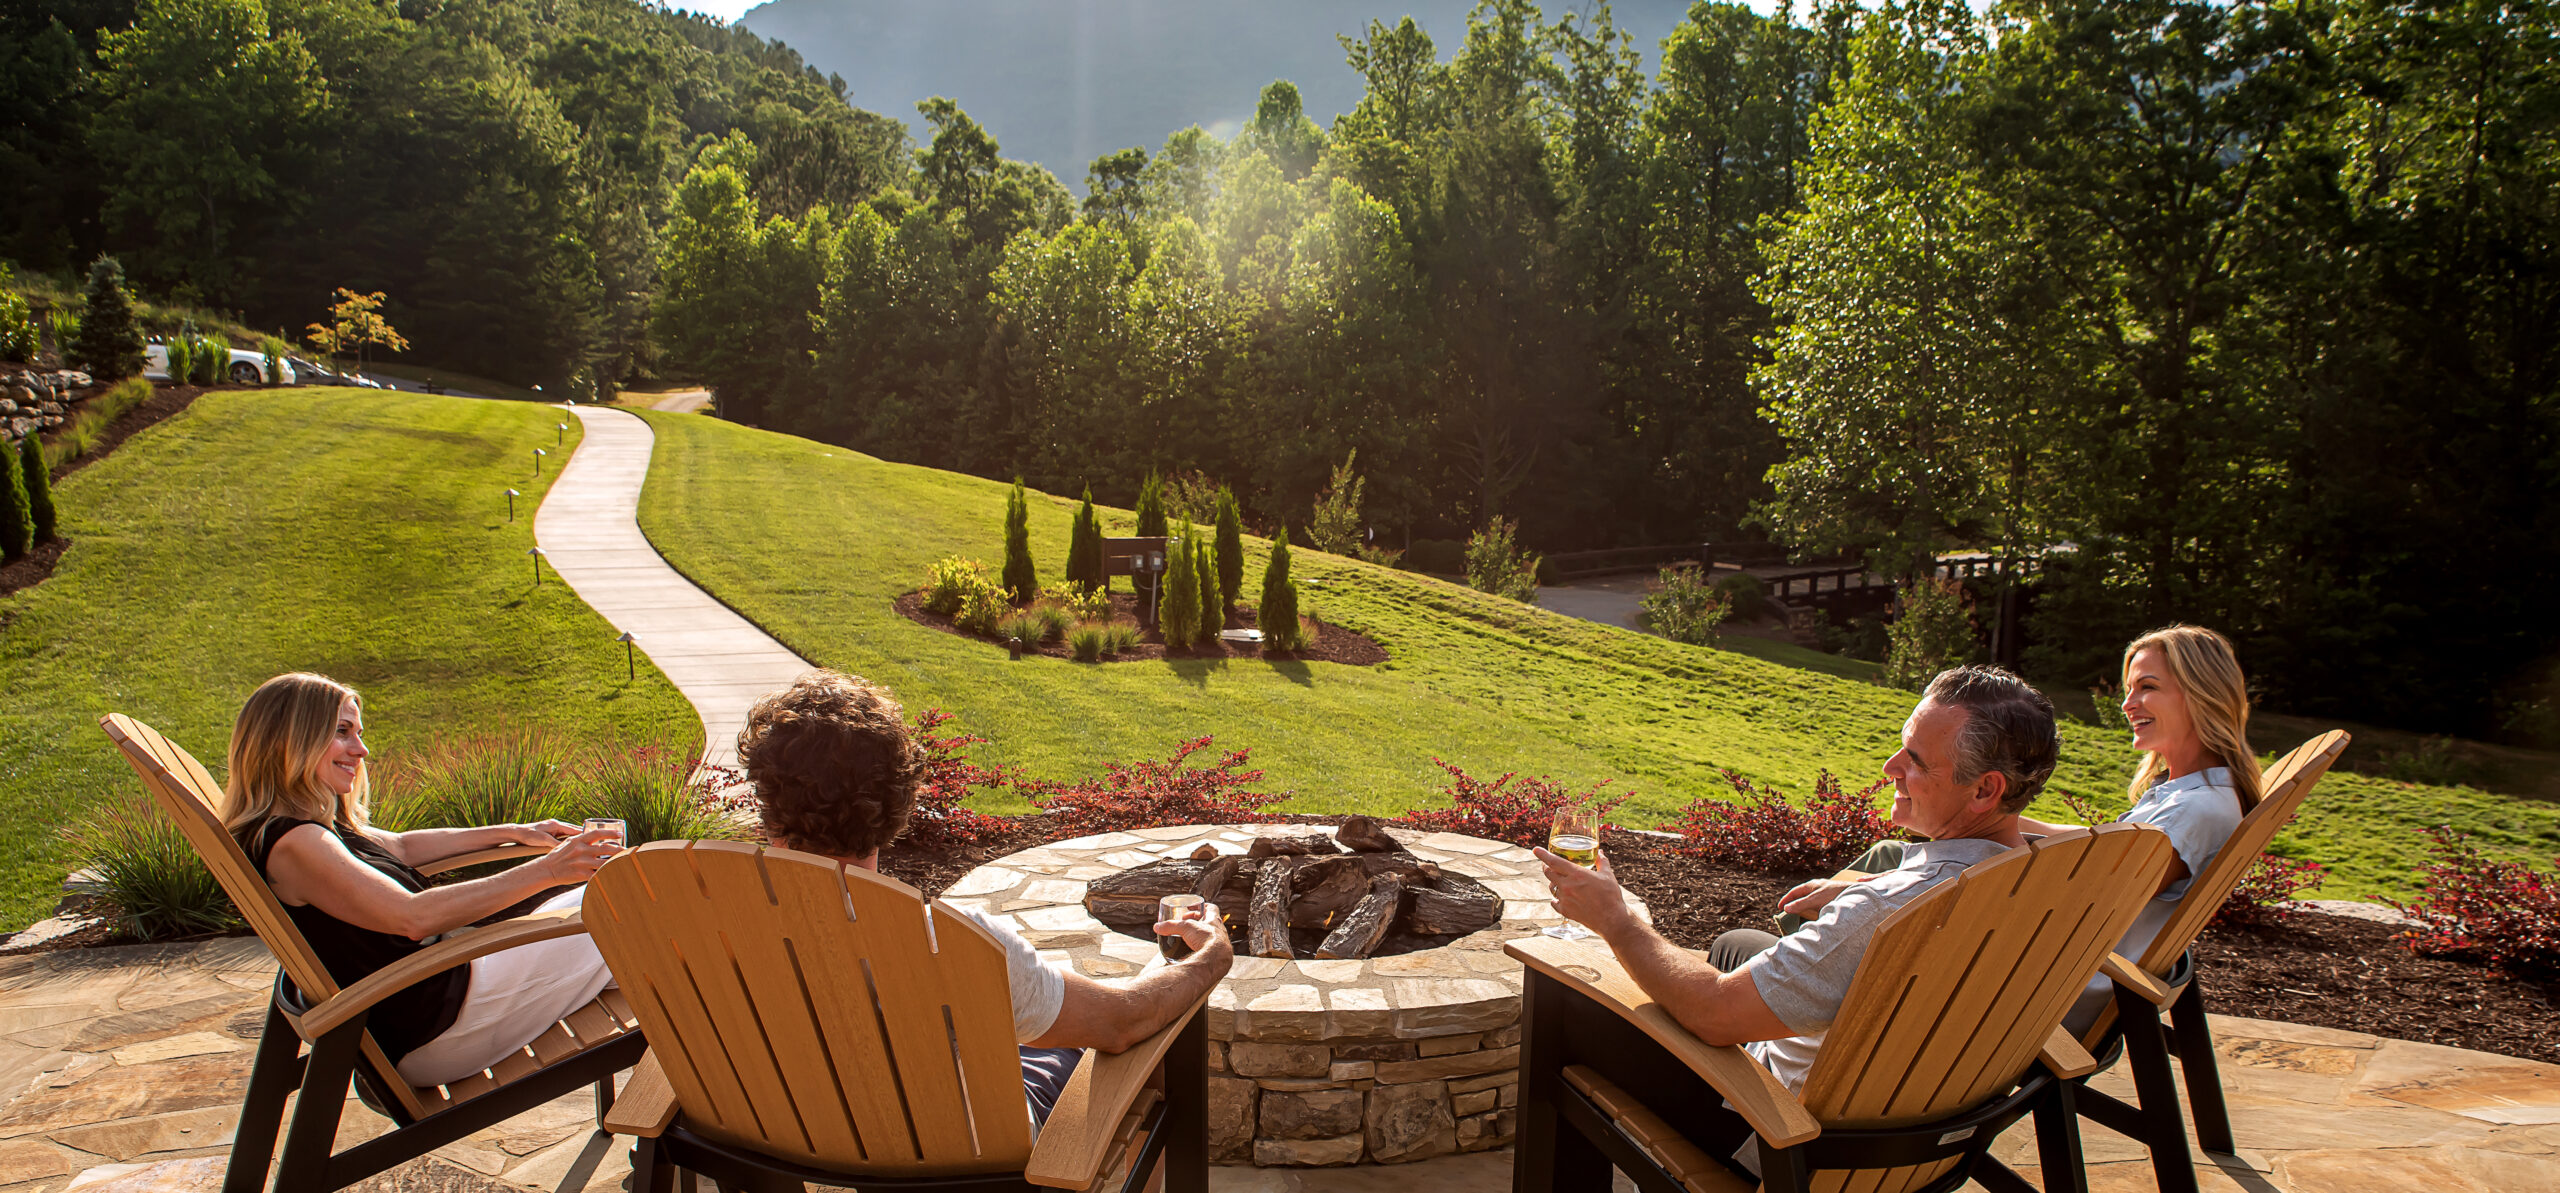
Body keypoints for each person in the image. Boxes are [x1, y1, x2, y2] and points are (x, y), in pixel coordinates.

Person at [1537, 665, 2062, 1111]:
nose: (1890, 768)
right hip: (1922, 1112)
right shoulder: (2045, 879)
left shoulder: (1885, 910)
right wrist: (1877, 888)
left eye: (1916, 760)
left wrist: (1615, 919)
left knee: (1564, 1011)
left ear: (1985, 789)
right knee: (1734, 944)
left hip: (1782, 1129)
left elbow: (1716, 1016)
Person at [738, 669, 1234, 1128]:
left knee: (1020, 1039)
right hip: (958, 1158)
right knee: (1133, 1043)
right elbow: (1124, 1021)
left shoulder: (713, 925)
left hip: (790, 1135)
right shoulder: (951, 944)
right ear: (899, 806)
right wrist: (1210, 958)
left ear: (767, 807)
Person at [222, 673, 624, 1087]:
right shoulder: (298, 843)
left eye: (358, 734)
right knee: (635, 905)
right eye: (342, 732)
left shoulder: (307, 825)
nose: (360, 750)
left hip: (439, 998)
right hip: (441, 1022)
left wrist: (513, 830)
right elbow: (411, 916)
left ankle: (669, 1085)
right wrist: (549, 869)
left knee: (632, 930)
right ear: (289, 739)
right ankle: (678, 1111)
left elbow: (401, 847)